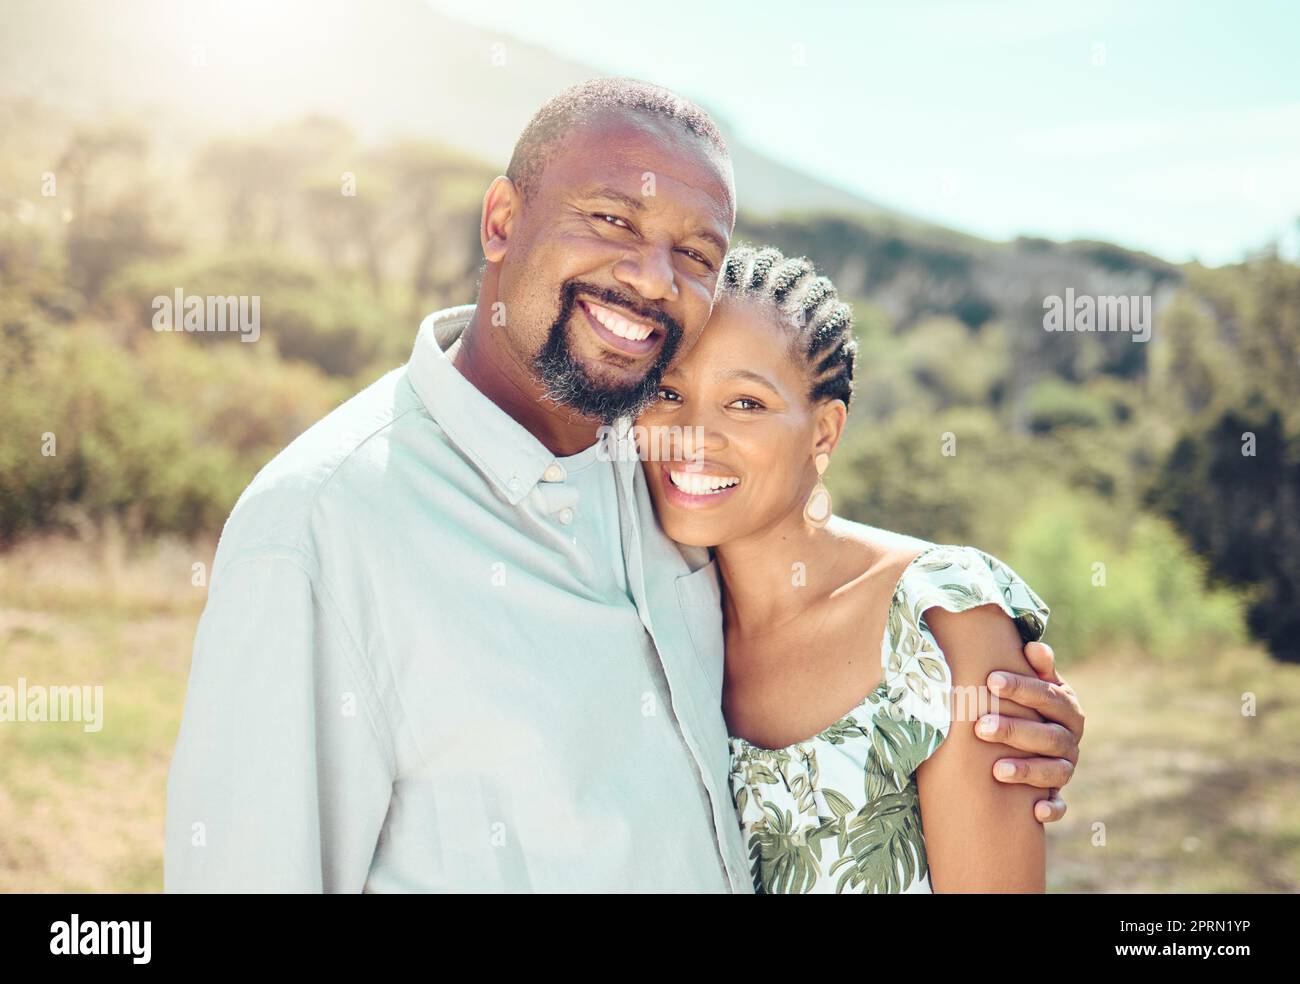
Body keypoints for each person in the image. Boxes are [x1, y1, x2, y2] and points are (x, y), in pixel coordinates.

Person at [164, 78, 1083, 893]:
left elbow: (805, 555)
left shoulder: (659, 480)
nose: (650, 279)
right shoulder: (321, 530)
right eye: (611, 219)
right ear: (500, 221)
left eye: (695, 253)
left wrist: (973, 677)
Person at [638, 243, 1070, 892]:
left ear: (824, 432)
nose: (692, 435)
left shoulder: (938, 620)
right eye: (668, 391)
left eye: (746, 403)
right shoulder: (648, 615)